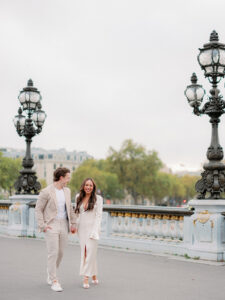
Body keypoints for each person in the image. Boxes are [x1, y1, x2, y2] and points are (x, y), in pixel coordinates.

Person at [35, 167, 77, 292]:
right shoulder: (46, 191)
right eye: (67, 178)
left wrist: (73, 223)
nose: (68, 180)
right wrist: (42, 225)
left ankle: (50, 272)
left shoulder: (67, 191)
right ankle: (54, 280)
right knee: (53, 252)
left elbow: (69, 208)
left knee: (61, 253)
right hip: (51, 224)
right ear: (61, 178)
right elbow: (38, 209)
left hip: (64, 224)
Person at [75, 178, 103, 289]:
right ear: (83, 186)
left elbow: (99, 215)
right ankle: (94, 275)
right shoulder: (78, 197)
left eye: (90, 185)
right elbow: (77, 213)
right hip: (82, 229)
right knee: (86, 252)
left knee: (90, 252)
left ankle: (86, 277)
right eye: (86, 185)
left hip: (93, 229)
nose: (88, 187)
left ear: (93, 187)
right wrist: (74, 226)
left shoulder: (98, 199)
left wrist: (95, 231)